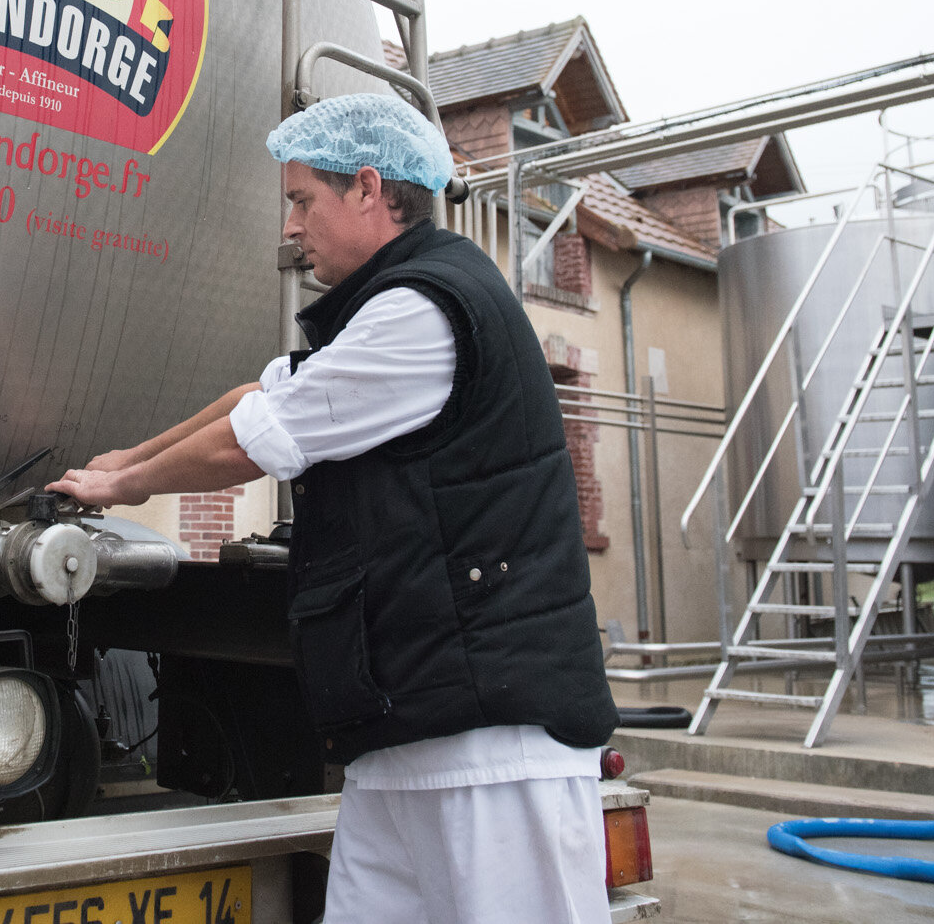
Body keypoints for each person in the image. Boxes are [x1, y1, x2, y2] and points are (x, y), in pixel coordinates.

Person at [49, 92, 618, 923]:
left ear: (367, 187)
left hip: (493, 748)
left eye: (301, 199)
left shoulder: (426, 310)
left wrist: (126, 489)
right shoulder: (391, 307)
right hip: (408, 739)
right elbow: (261, 392)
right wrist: (120, 461)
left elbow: (258, 437)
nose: (291, 226)